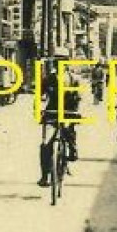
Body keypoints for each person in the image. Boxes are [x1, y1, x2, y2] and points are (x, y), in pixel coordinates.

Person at [37, 59, 80, 187]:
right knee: (45, 145)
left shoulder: (73, 79)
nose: (60, 64)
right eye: (58, 61)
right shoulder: (48, 79)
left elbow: (78, 97)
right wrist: (39, 107)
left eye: (63, 62)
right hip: (52, 112)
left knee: (68, 133)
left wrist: (76, 111)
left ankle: (72, 151)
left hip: (68, 112)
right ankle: (45, 176)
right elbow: (40, 95)